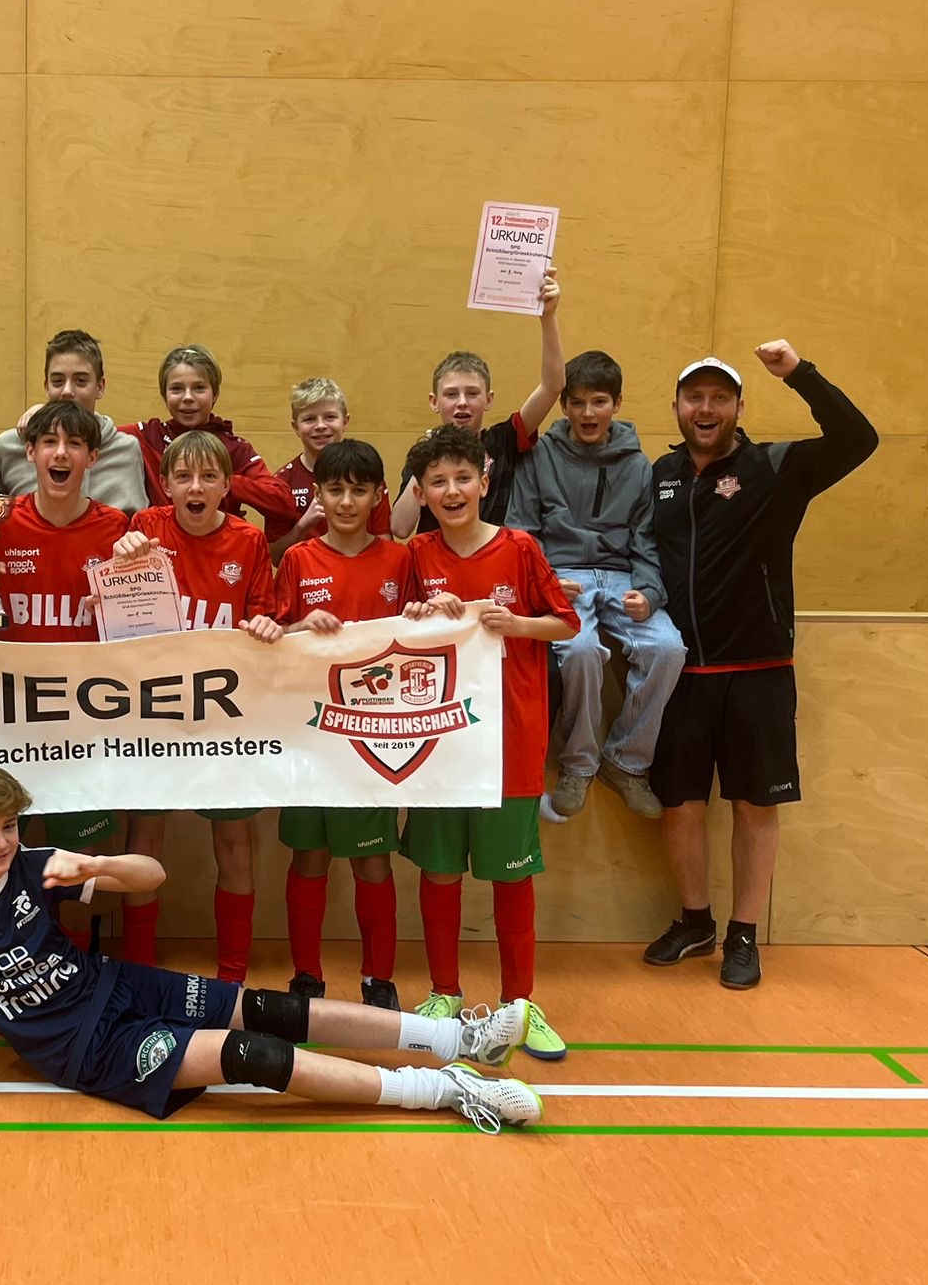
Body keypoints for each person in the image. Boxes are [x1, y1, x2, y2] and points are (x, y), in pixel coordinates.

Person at [0, 765, 544, 1130]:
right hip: (81, 1047)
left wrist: (97, 865)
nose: (1, 843)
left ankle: (458, 1039)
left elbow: (151, 877)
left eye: (8, 827)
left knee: (271, 1009)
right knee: (249, 1054)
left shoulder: (34, 866)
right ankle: (447, 1092)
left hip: (115, 985)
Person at [643, 341, 878, 989]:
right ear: (678, 407)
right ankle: (696, 922)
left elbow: (859, 439)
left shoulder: (776, 467)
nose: (706, 408)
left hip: (759, 672)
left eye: (720, 397)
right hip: (679, 673)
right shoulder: (658, 476)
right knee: (680, 805)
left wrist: (800, 373)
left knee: (753, 806)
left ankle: (743, 935)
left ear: (739, 407)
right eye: (695, 397)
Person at [0, 399, 132, 1050]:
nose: (59, 454)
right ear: (28, 453)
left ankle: (75, 980)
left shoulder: (117, 531)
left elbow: (142, 635)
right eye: (47, 442)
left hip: (86, 730)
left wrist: (128, 584)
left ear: (91, 457)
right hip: (9, 725)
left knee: (81, 868)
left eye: (73, 444)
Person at [402, 426, 578, 1061]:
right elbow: (390, 632)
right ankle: (444, 993)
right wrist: (417, 617)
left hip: (511, 740)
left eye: (462, 478)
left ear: (484, 480)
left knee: (511, 877)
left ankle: (519, 1005)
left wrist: (517, 624)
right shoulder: (416, 554)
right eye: (438, 482)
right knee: (440, 869)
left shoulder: (520, 547)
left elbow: (566, 622)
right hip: (440, 743)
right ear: (422, 493)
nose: (452, 491)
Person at [109, 430, 282, 979]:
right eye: (183, 476)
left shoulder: (248, 542)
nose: (196, 487)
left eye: (209, 477)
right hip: (153, 708)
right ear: (165, 483)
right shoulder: (145, 528)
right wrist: (118, 564)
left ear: (227, 486)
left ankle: (233, 974)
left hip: (223, 714)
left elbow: (265, 617)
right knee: (145, 836)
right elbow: (118, 613)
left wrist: (264, 625)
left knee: (233, 838)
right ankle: (139, 968)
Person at [506, 349, 685, 820]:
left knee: (669, 648)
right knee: (581, 651)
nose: (588, 413)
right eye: (578, 402)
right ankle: (579, 764)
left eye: (599, 401)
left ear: (617, 404)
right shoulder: (539, 456)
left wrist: (650, 594)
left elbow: (646, 540)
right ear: (564, 405)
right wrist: (545, 582)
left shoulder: (639, 465)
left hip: (622, 577)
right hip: (562, 576)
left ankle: (626, 761)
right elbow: (521, 532)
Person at [273, 440, 415, 1008]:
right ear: (319, 494)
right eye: (336, 489)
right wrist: (297, 626)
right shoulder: (298, 559)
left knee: (372, 860)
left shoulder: (401, 560)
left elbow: (425, 635)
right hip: (309, 734)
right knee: (308, 858)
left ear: (379, 495)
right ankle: (306, 976)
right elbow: (272, 638)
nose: (347, 501)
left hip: (375, 738)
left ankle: (379, 980)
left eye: (359, 490)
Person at [391, 271, 565, 539]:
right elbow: (400, 528)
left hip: (493, 556)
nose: (462, 402)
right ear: (434, 402)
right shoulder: (423, 452)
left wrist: (548, 317)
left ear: (488, 400)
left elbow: (552, 386)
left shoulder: (504, 440)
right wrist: (425, 459)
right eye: (451, 394)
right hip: (438, 560)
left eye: (472, 393)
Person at [123, 344, 296, 528]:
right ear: (164, 395)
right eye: (176, 388)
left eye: (199, 388)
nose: (187, 397)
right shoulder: (147, 436)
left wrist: (221, 481)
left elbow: (284, 503)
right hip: (161, 543)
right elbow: (101, 432)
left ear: (215, 394)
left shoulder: (234, 449)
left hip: (221, 543)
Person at [0, 329, 149, 512]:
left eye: (80, 381)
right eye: (58, 381)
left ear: (100, 387)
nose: (67, 391)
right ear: (46, 386)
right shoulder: (8, 447)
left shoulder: (126, 449)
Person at [266, 378, 392, 560]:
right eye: (309, 419)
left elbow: (385, 545)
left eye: (330, 417)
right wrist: (303, 525)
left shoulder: (366, 474)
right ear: (295, 427)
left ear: (345, 421)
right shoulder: (281, 482)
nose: (320, 426)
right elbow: (276, 558)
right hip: (309, 575)